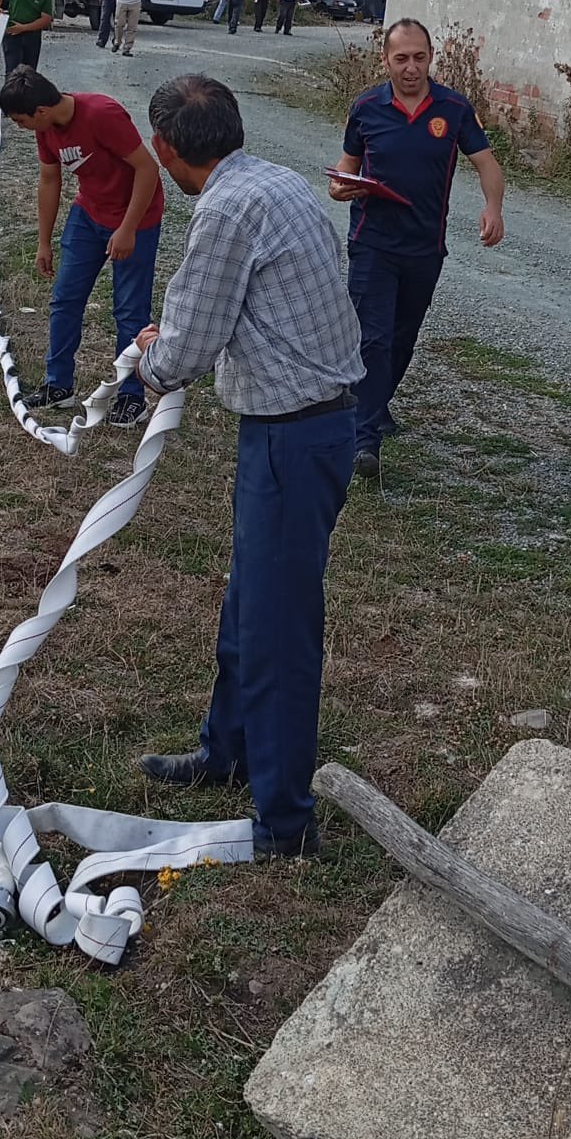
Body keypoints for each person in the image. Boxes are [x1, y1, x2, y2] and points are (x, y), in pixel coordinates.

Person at [133, 75, 363, 858]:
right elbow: (238, 308)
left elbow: (185, 354)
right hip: (306, 426)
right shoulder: (276, 181)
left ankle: (284, 822)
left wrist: (148, 361)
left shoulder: (225, 209)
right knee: (249, 603)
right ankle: (227, 750)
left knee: (276, 631)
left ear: (166, 151)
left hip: (293, 437)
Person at [329, 17, 506, 479]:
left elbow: (487, 164)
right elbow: (344, 170)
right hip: (372, 243)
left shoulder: (454, 108)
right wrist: (341, 189)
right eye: (401, 58)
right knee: (373, 338)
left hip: (425, 246)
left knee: (403, 338)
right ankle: (363, 442)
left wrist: (493, 208)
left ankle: (376, 403)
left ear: (431, 57)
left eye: (419, 57)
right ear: (385, 59)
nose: (411, 67)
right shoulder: (366, 107)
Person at [0, 67, 164, 428]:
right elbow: (49, 179)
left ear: (41, 111)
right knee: (64, 298)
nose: (20, 127)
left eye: (21, 121)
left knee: (129, 313)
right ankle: (59, 385)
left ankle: (132, 399)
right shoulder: (46, 129)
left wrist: (127, 229)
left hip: (137, 219)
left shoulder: (102, 114)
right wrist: (44, 242)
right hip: (88, 215)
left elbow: (148, 170)